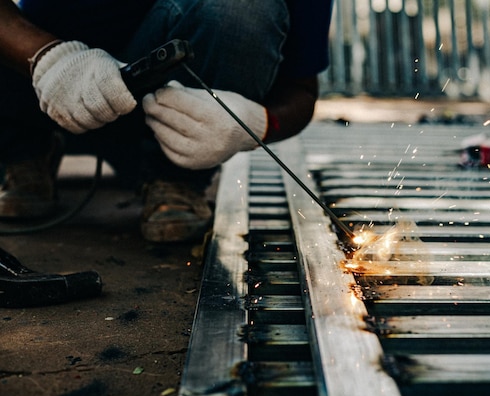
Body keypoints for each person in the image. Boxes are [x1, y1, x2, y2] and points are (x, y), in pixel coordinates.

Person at [0, 0, 333, 242]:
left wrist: (259, 123)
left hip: (165, 119)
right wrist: (48, 58)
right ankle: (24, 150)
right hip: (42, 89)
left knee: (243, 8)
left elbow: (301, 90)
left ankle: (175, 178)